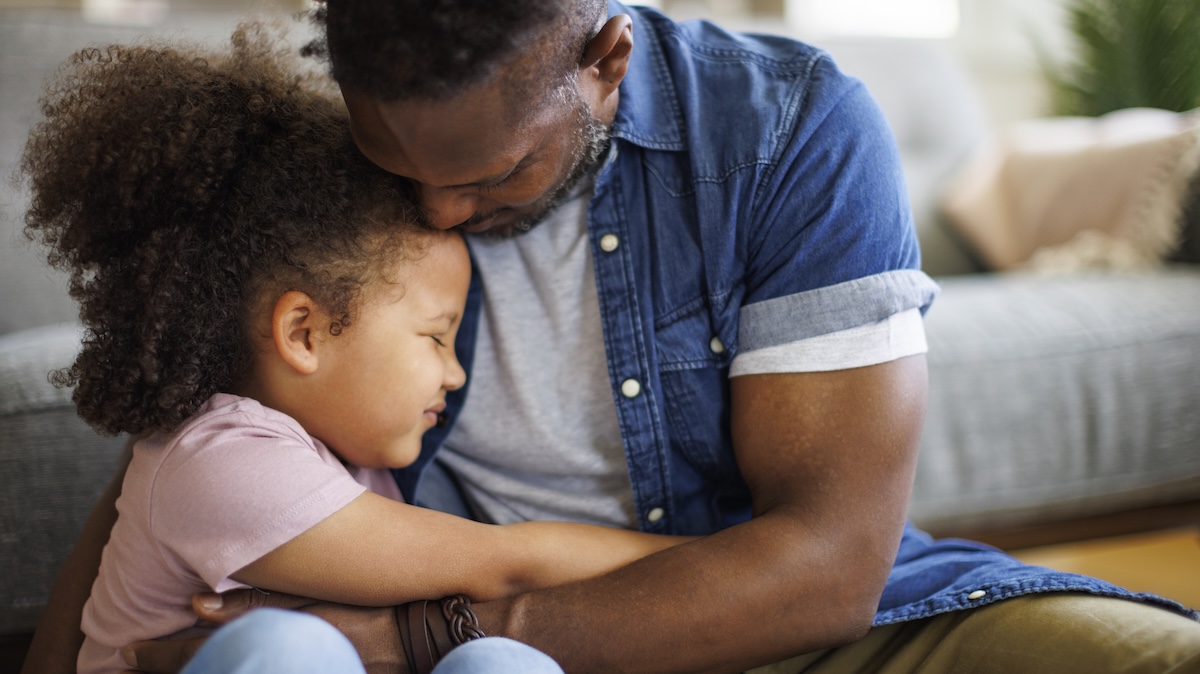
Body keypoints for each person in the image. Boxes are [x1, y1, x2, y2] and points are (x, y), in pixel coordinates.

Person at [23, 2, 1200, 673]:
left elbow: (827, 571)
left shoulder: (792, 131)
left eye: (491, 173)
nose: (433, 212)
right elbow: (186, 440)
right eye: (399, 170)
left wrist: (414, 632)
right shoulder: (329, 157)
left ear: (604, 62)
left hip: (765, 626)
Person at [18, 25, 685, 674]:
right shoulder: (218, 465)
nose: (456, 373)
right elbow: (507, 563)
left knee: (500, 660)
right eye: (436, 335)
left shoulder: (341, 459)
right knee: (294, 653)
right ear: (304, 334)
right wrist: (711, 559)